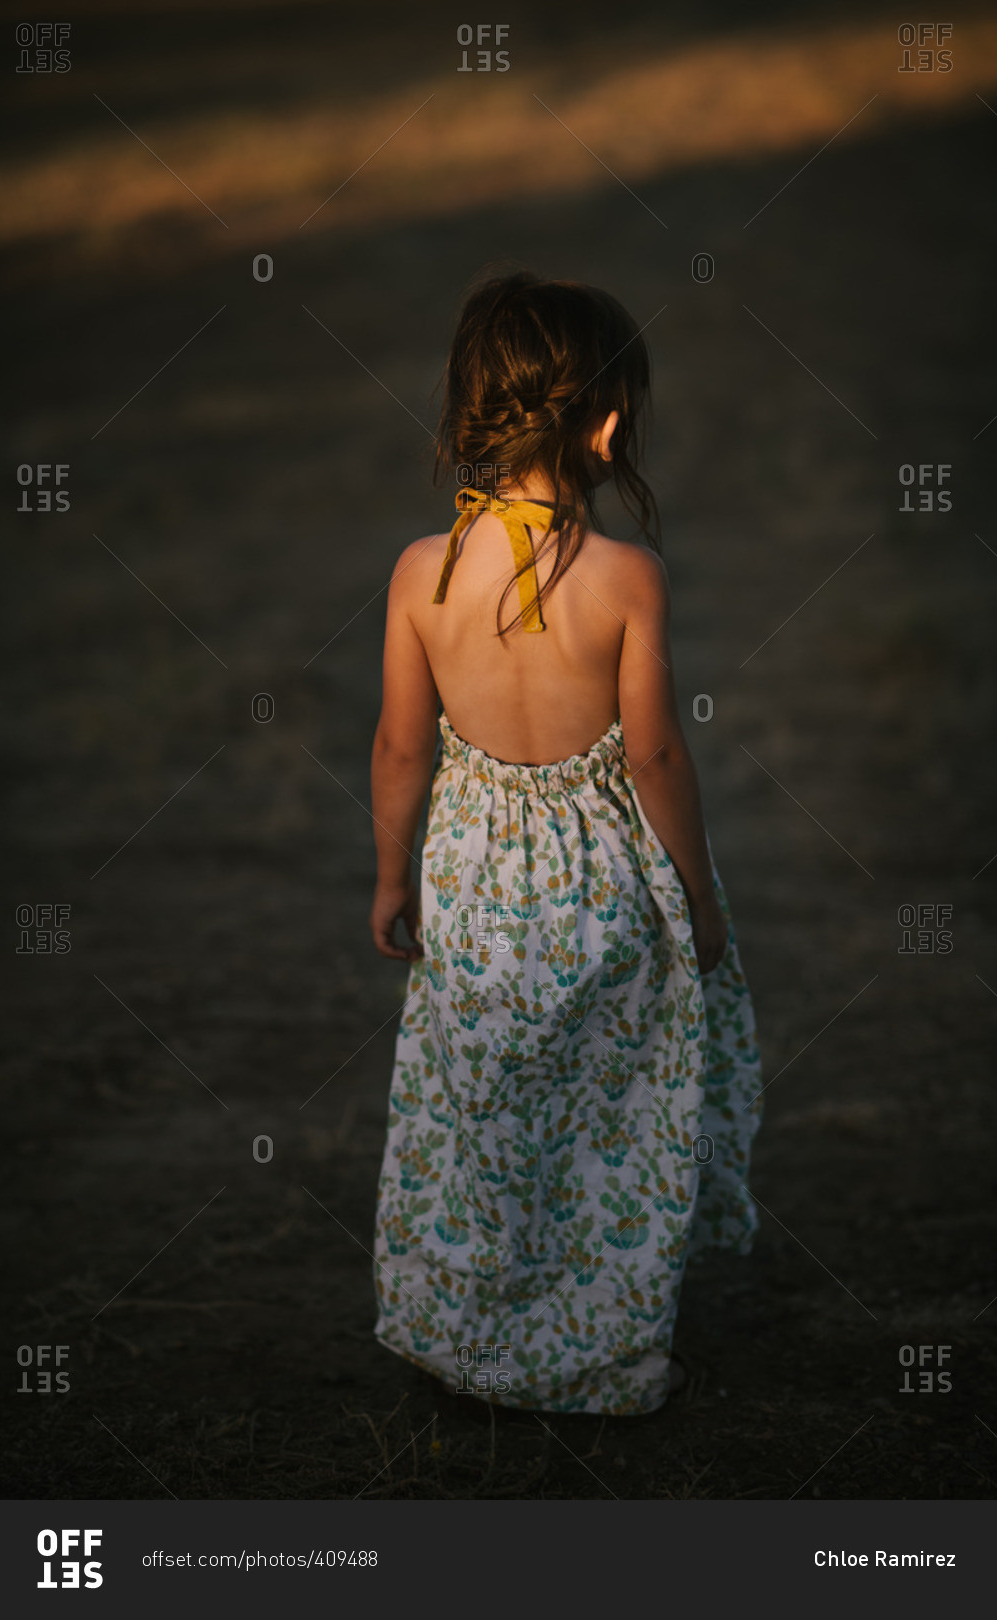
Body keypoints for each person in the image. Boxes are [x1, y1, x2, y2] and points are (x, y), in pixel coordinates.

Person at [368, 270, 762, 1415]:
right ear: (601, 423)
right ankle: (598, 1353)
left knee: (476, 1116)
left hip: (474, 898)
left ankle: (465, 1339)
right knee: (608, 1120)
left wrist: (393, 876)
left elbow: (401, 749)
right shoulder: (627, 579)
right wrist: (695, 899)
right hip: (604, 895)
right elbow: (653, 760)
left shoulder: (418, 576)